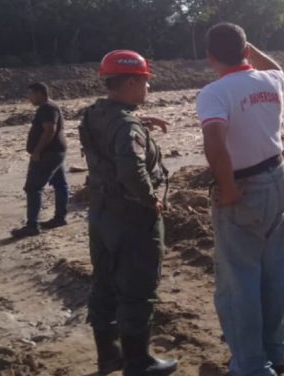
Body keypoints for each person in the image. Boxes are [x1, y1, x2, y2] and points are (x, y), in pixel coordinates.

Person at [195, 23, 284, 376]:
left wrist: (230, 190)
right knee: (273, 273)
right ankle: (277, 354)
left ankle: (252, 366)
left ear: (210, 57)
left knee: (239, 282)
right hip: (278, 178)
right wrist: (250, 50)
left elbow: (214, 144)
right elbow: (277, 68)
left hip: (245, 188)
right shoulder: (271, 81)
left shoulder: (214, 93)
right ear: (245, 50)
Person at [78, 50, 177, 376]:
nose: (148, 87)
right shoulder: (126, 126)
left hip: (101, 214)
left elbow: (110, 134)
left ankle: (109, 356)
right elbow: (131, 169)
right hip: (131, 218)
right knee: (138, 287)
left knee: (104, 284)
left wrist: (138, 124)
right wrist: (150, 200)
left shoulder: (97, 113)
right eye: (146, 81)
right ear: (132, 81)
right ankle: (139, 363)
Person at [11, 82, 69, 238]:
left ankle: (32, 225)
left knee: (33, 187)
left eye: (30, 94)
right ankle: (60, 218)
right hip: (56, 152)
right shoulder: (51, 107)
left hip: (48, 154)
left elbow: (49, 130)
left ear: (39, 93)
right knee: (60, 184)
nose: (28, 97)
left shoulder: (47, 108)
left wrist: (37, 151)